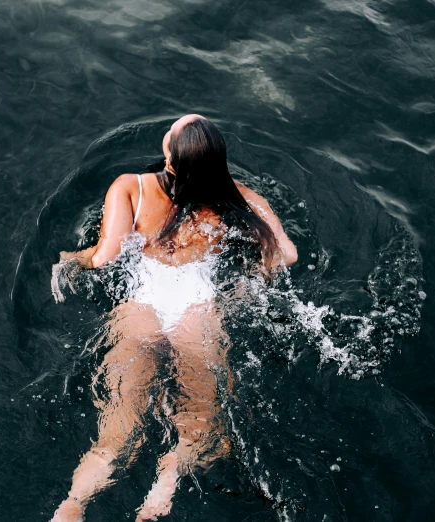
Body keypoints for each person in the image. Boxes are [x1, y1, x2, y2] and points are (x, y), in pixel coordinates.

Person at [50, 115, 297, 521]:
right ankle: (159, 494)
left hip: (142, 309)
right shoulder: (238, 197)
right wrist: (249, 283)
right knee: (200, 427)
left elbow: (104, 257)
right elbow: (286, 255)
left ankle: (73, 504)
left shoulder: (131, 187)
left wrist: (69, 260)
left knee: (116, 432)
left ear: (170, 155)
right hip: (198, 313)